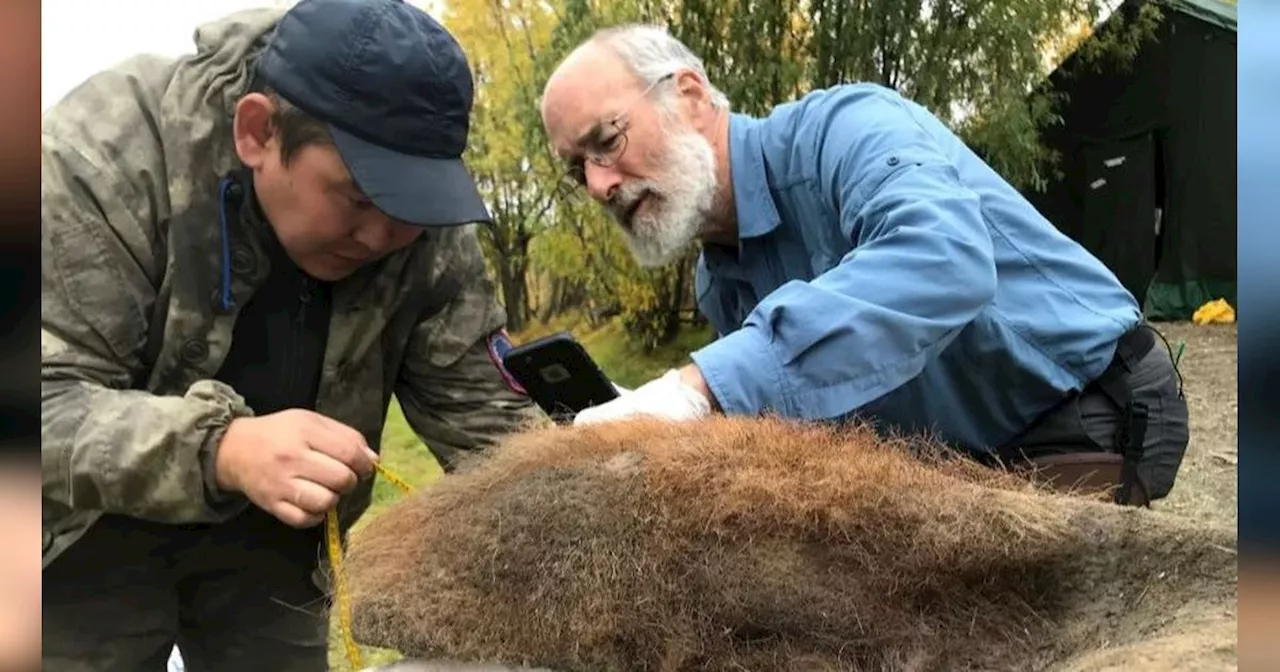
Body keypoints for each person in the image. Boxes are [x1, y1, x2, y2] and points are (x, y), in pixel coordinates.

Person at [40, 1, 544, 670]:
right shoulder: (105, 158)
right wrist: (222, 448)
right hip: (83, 533)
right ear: (258, 133)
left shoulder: (421, 225)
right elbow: (41, 403)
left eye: (411, 211)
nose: (384, 237)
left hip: (275, 552)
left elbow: (493, 428)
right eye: (359, 200)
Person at [538, 24, 1189, 506]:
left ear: (690, 94)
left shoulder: (849, 129)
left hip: (1084, 406)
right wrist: (664, 422)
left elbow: (944, 260)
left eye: (608, 141)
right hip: (959, 454)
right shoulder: (717, 279)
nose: (598, 185)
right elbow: (791, 407)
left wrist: (699, 387)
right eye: (577, 170)